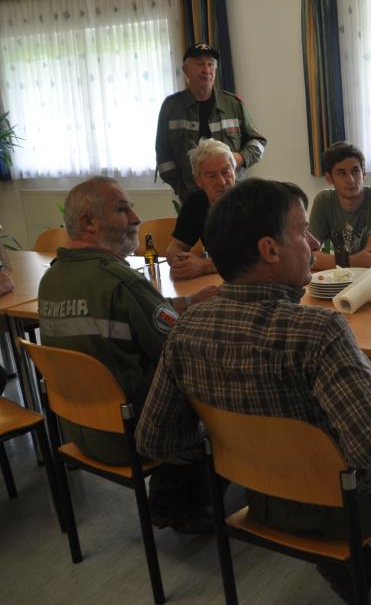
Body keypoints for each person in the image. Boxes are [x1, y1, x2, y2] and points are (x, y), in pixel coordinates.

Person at [135, 179, 371, 605]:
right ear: (269, 250)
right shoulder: (318, 332)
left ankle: (369, 566)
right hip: (342, 504)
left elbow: (155, 439)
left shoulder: (186, 330)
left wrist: (232, 440)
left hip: (265, 499)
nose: (315, 244)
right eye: (303, 231)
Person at [37, 176, 218, 533]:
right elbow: (179, 347)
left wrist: (185, 303)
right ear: (89, 222)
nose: (136, 218)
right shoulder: (122, 282)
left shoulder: (51, 279)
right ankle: (183, 501)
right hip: (134, 436)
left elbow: (138, 313)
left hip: (82, 431)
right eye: (123, 209)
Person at [155, 42, 266, 201]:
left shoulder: (233, 105)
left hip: (232, 195)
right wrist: (182, 188)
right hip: (191, 197)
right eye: (200, 64)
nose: (206, 70)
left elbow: (259, 142)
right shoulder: (171, 108)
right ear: (186, 70)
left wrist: (240, 158)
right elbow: (163, 156)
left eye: (210, 64)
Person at [309, 141, 371, 271]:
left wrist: (334, 262)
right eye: (341, 173)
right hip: (351, 277)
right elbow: (309, 256)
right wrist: (352, 261)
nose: (351, 180)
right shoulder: (323, 201)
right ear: (329, 178)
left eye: (355, 171)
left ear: (364, 172)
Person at [165, 139, 235, 280]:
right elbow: (176, 247)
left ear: (234, 170)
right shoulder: (195, 202)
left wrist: (205, 266)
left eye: (226, 172)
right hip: (216, 281)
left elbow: (256, 259)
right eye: (212, 176)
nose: (221, 182)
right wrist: (180, 262)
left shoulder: (251, 199)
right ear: (198, 181)